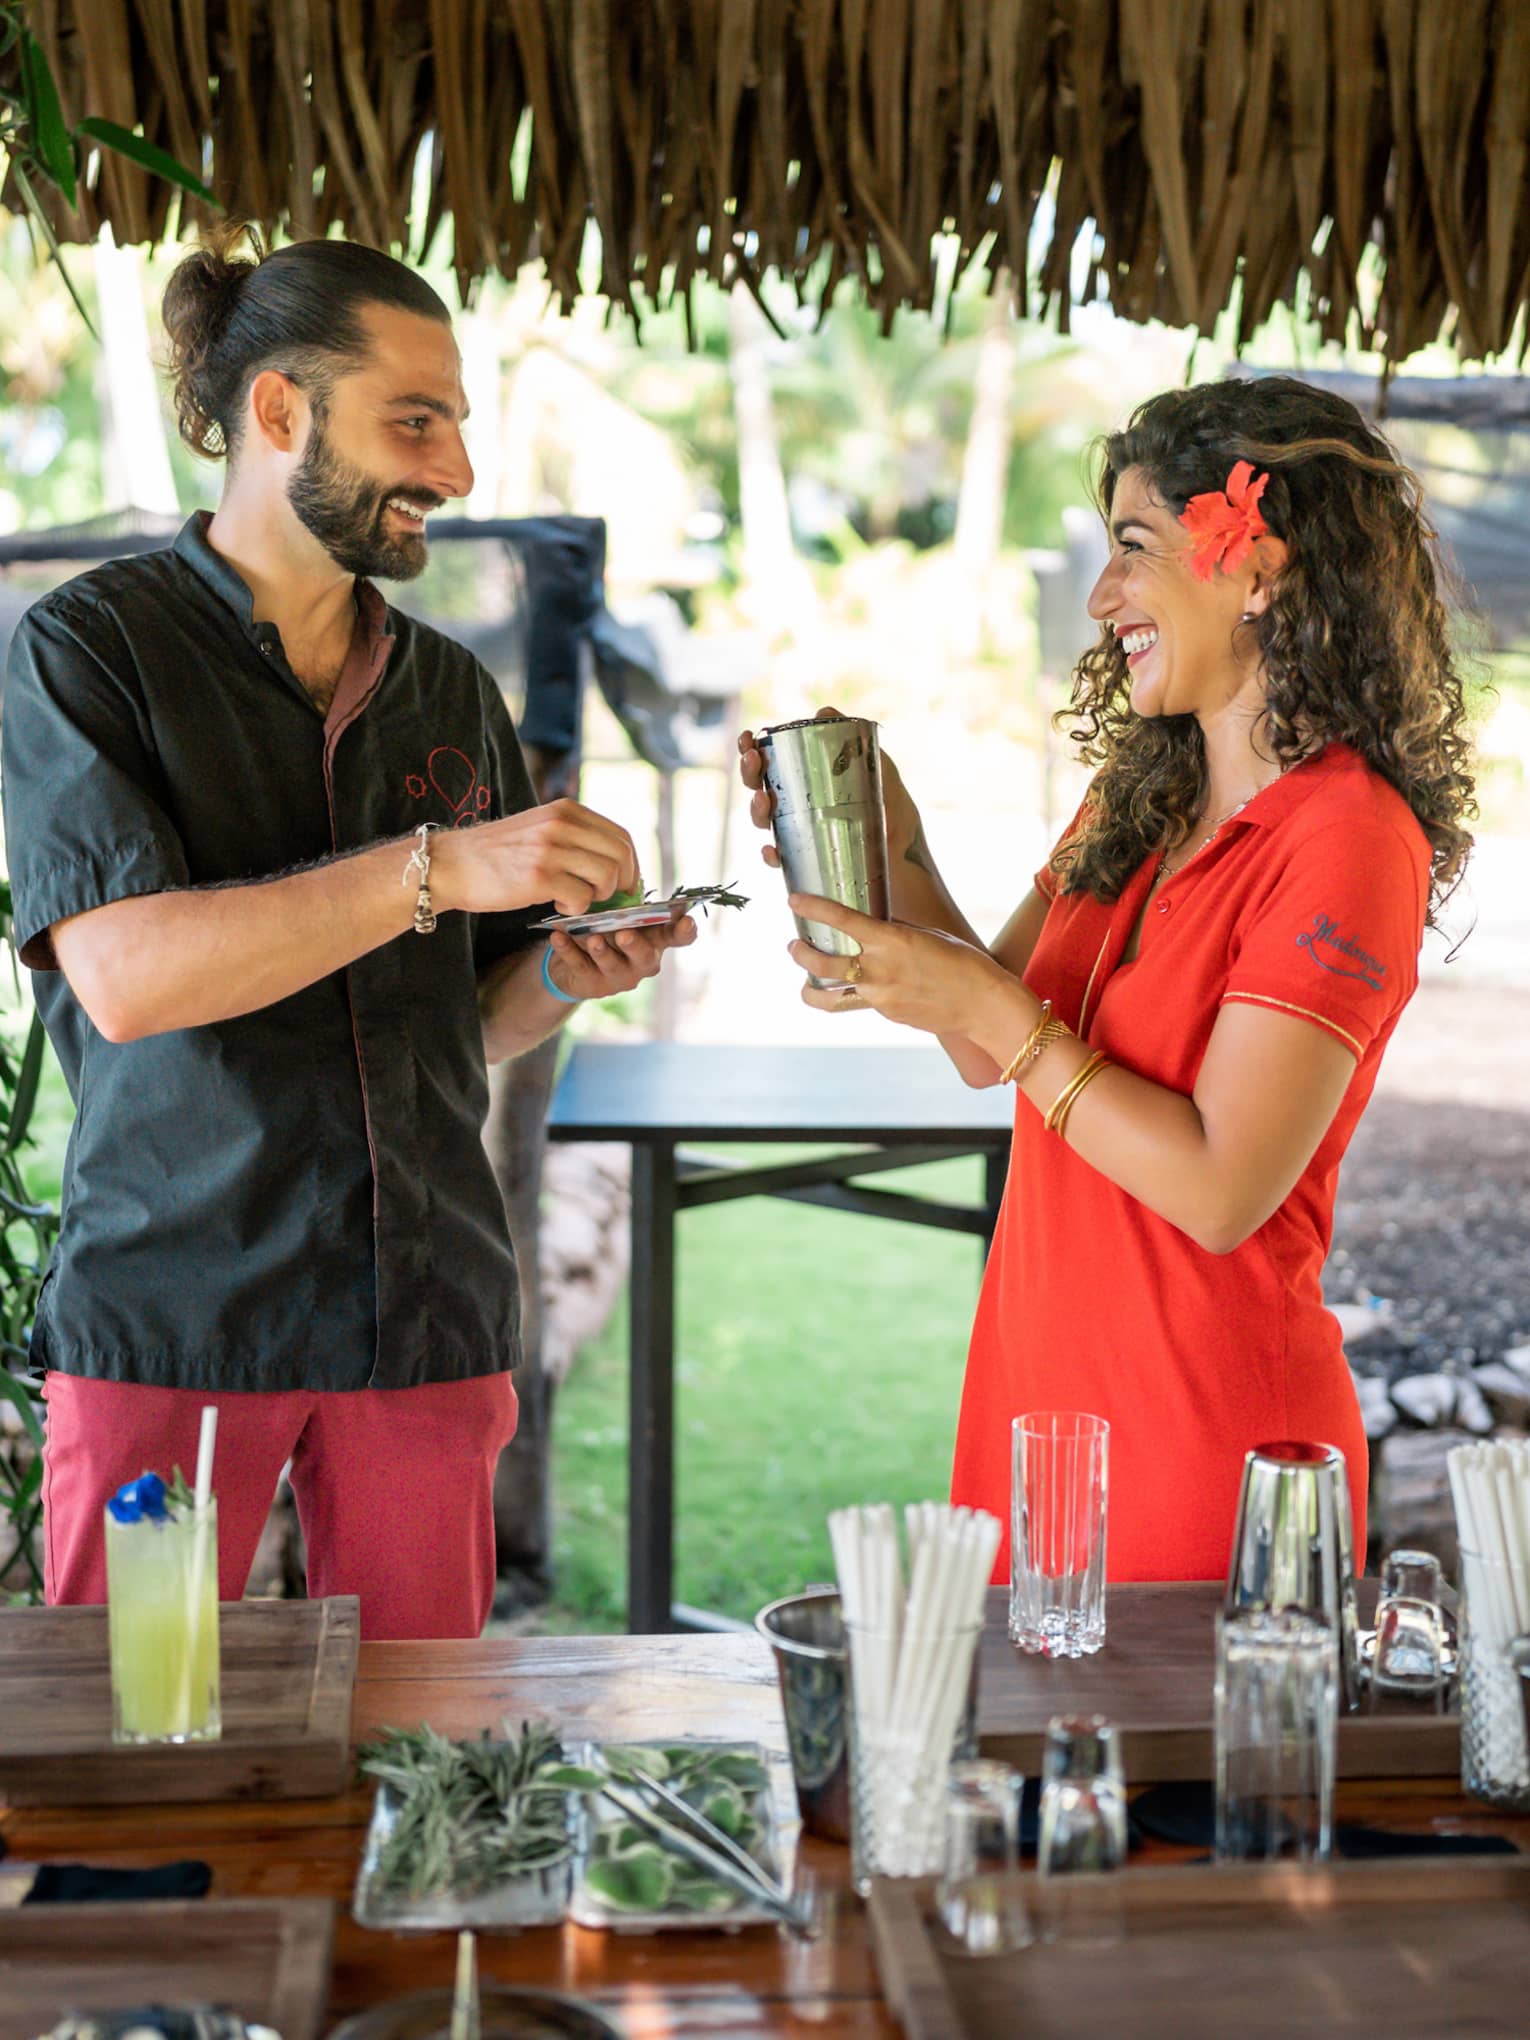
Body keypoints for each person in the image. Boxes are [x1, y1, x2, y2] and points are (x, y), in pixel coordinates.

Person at [3, 228, 696, 1638]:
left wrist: (565, 970)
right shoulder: (88, 650)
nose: (455, 472)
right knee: (137, 1768)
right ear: (278, 413)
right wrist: (436, 866)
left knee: (422, 1780)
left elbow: (462, 1015)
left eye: (454, 423)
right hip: (181, 1316)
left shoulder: (447, 689)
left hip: (423, 1322)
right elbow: (128, 980)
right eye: (414, 419)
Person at [740, 376, 1475, 1581]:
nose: (1100, 596)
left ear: (1258, 566)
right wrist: (891, 840)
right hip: (1040, 1420)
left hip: (1204, 1456)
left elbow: (1219, 1186)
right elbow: (990, 1041)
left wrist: (993, 1011)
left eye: (1133, 548)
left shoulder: (1348, 836)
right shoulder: (1141, 798)